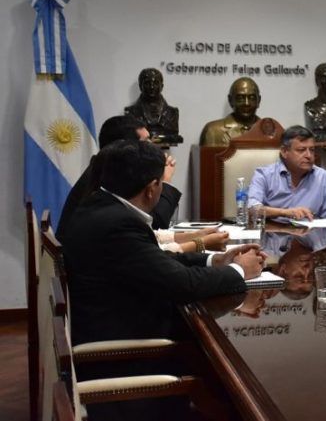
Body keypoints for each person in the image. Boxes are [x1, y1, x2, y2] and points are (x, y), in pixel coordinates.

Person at [60, 139, 266, 347]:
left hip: (110, 323)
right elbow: (183, 284)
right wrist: (239, 269)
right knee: (215, 349)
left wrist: (216, 260)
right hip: (126, 350)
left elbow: (157, 260)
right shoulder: (118, 224)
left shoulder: (98, 206)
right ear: (152, 188)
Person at [57, 115, 181, 238]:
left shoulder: (102, 168)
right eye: (145, 142)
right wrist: (164, 181)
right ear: (125, 148)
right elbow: (155, 224)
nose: (152, 146)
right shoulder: (108, 177)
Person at [247, 125, 326, 221]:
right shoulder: (264, 175)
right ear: (284, 151)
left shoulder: (323, 177)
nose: (309, 155)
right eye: (301, 150)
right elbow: (252, 209)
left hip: (309, 234)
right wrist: (285, 213)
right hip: (274, 233)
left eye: (311, 150)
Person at [124, 68, 182, 144]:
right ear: (140, 86)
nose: (152, 87)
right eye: (147, 83)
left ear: (162, 86)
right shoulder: (130, 112)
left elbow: (174, 136)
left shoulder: (172, 113)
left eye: (156, 83)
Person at [199, 77, 261, 146]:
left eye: (252, 98)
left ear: (259, 101)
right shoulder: (212, 131)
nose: (246, 103)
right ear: (230, 100)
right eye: (240, 98)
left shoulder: (269, 132)